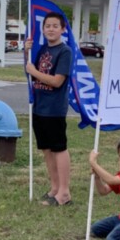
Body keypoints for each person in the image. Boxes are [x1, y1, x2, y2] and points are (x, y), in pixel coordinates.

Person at [24, 12, 73, 206]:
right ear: (43, 29)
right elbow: (30, 74)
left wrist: (34, 72)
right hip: (39, 107)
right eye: (47, 26)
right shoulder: (42, 49)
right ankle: (54, 188)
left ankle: (64, 192)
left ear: (62, 29)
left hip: (54, 109)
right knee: (46, 149)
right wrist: (27, 53)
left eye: (55, 26)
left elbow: (56, 81)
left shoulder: (65, 51)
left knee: (59, 148)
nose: (51, 29)